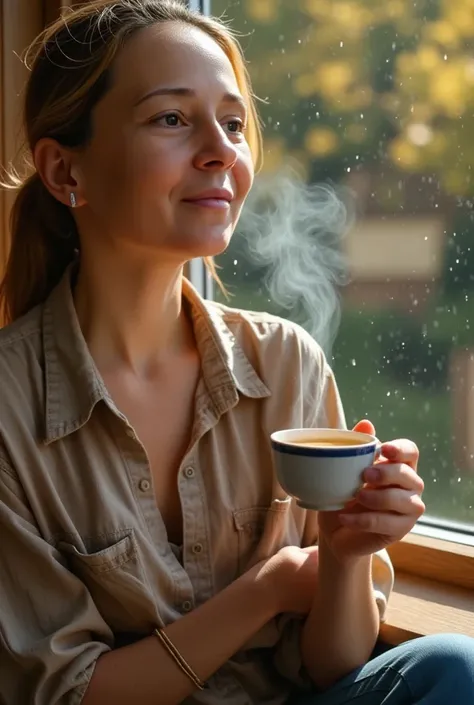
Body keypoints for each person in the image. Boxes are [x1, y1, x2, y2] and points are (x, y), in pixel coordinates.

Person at [0, 1, 472, 704]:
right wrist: (269, 587)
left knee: (452, 666)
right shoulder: (11, 406)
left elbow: (331, 666)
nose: (221, 149)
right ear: (66, 171)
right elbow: (67, 693)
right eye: (171, 118)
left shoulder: (287, 362)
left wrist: (345, 554)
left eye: (232, 121)